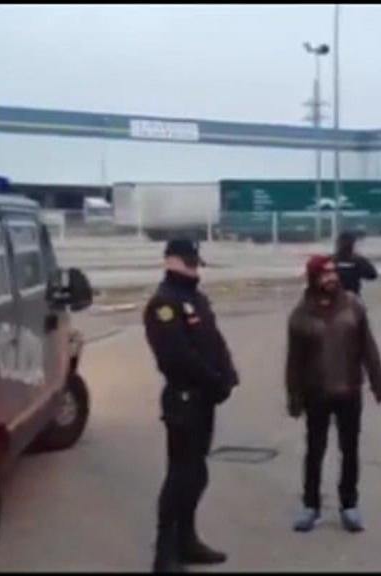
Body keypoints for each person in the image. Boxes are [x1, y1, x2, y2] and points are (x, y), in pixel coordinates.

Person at [144, 239, 239, 573]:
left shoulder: (195, 298)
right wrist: (214, 380)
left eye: (195, 261)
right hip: (184, 399)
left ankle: (187, 541)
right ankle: (165, 553)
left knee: (196, 474)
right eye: (188, 261)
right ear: (170, 261)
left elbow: (214, 341)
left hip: (203, 399)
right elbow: (176, 357)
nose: (194, 267)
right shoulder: (164, 304)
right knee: (181, 477)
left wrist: (229, 374)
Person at [286, 255, 381, 534]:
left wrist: (378, 381)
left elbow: (368, 347)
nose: (331, 278)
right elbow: (294, 362)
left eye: (333, 272)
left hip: (349, 390)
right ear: (313, 278)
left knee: (350, 449)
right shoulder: (301, 315)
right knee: (314, 451)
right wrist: (294, 395)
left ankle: (349, 506)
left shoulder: (353, 306)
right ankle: (311, 506)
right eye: (324, 274)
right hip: (316, 393)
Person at [334, 231, 379, 297]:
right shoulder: (358, 260)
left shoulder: (331, 260)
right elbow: (372, 275)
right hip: (353, 296)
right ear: (352, 245)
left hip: (334, 297)